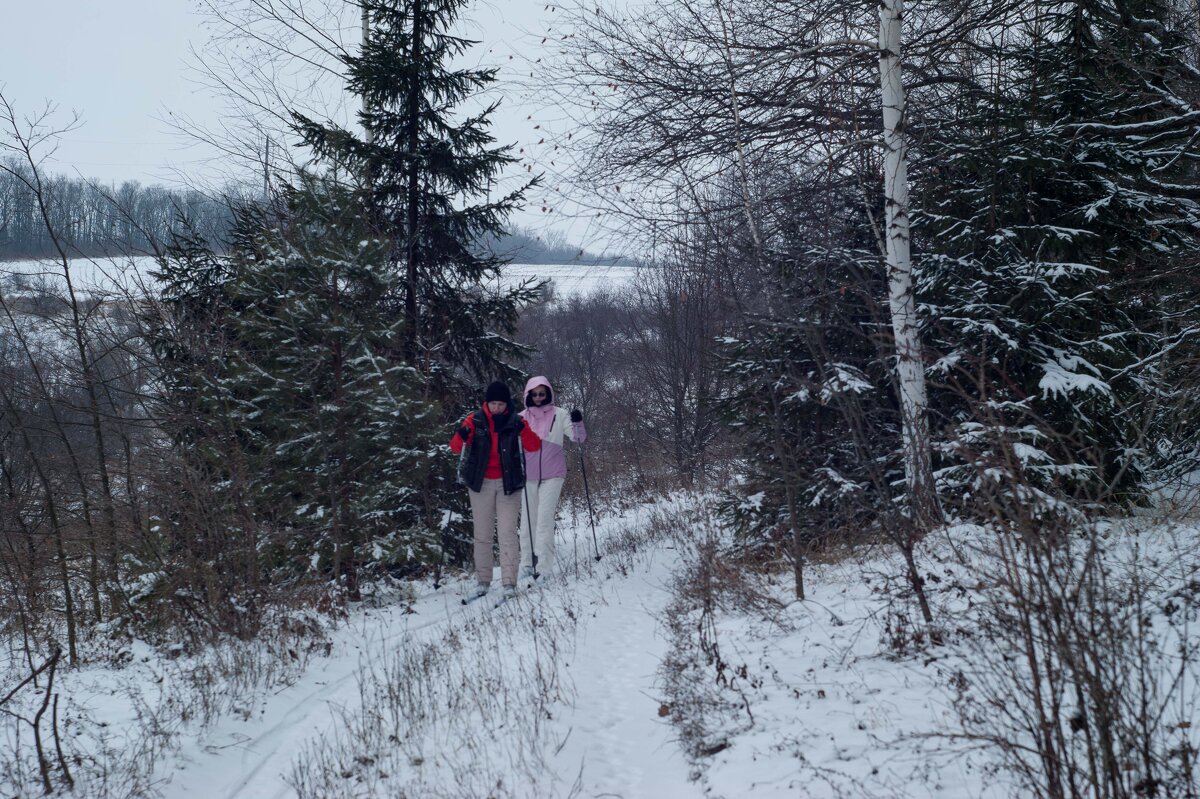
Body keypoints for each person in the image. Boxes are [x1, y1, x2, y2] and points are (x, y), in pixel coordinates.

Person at [450, 381, 541, 599]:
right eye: (493, 404)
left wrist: (523, 431)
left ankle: (509, 581)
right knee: (482, 533)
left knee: (507, 533)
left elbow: (534, 446)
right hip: (480, 483)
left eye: (501, 404)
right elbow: (455, 448)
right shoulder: (475, 420)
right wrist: (462, 435)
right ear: (487, 403)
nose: (497, 408)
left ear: (506, 403)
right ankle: (483, 580)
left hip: (509, 484)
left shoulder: (515, 421)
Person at [518, 375, 587, 578]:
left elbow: (578, 438)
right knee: (527, 522)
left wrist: (578, 422)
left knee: (544, 520)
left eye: (542, 393)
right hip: (528, 476)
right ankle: (527, 564)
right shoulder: (521, 417)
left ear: (548, 393)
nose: (539, 397)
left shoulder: (560, 414)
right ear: (528, 395)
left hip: (553, 474)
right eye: (535, 394)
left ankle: (544, 568)